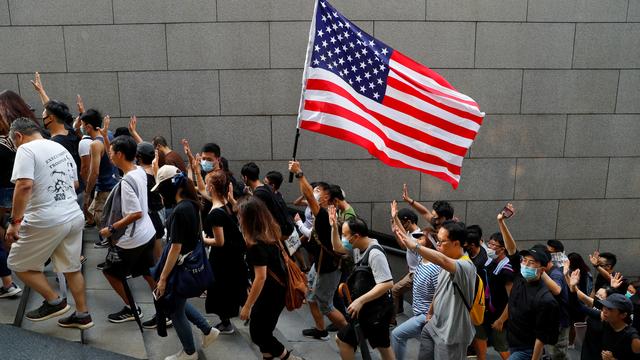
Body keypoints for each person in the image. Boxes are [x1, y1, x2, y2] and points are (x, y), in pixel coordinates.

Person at [4, 117, 92, 328]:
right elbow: (75, 182)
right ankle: (83, 315)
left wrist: (15, 221)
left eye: (14, 143)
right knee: (72, 269)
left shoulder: (26, 150)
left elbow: (24, 185)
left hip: (47, 218)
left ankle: (54, 301)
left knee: (16, 263)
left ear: (18, 136)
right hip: (73, 215)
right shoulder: (58, 147)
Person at [152, 166, 220, 360]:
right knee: (178, 302)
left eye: (161, 188)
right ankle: (207, 329)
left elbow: (175, 247)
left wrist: (163, 278)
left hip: (178, 265)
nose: (160, 194)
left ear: (171, 187)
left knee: (175, 309)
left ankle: (189, 352)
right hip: (187, 262)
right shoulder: (191, 204)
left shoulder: (180, 210)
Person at [397, 220, 477, 360]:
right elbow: (439, 289)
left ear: (456, 243)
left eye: (441, 241)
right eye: (437, 240)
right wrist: (430, 312)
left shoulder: (466, 266)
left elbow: (442, 261)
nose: (437, 245)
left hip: (451, 333)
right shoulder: (446, 261)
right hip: (433, 325)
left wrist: (415, 246)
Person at [99, 136, 157, 323]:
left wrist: (111, 228)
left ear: (120, 154)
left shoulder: (127, 181)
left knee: (110, 272)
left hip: (132, 238)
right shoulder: (139, 171)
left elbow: (136, 213)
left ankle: (132, 309)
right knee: (147, 272)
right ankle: (166, 307)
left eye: (112, 151)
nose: (109, 154)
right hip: (147, 232)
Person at [237, 196, 303, 360]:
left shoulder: (256, 245)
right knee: (264, 331)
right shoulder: (270, 234)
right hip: (277, 290)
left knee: (258, 334)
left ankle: (289, 358)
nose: (238, 218)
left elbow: (261, 278)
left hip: (269, 294)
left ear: (248, 220)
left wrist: (247, 306)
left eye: (240, 216)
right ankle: (268, 357)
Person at [289, 161, 348, 340]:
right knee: (311, 296)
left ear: (326, 199)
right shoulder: (327, 213)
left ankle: (351, 334)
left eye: (318, 191)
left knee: (325, 305)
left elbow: (307, 193)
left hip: (329, 267)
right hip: (321, 262)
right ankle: (321, 330)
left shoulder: (324, 214)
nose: (314, 192)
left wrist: (299, 173)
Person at [497, 204, 559, 360]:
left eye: (531, 263)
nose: (525, 264)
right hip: (513, 342)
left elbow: (542, 336)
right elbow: (511, 249)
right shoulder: (520, 276)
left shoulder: (545, 299)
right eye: (524, 260)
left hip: (527, 350)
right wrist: (501, 222)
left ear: (542, 269)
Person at [331, 214, 395, 360]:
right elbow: (337, 247)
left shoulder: (375, 253)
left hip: (375, 310)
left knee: (342, 340)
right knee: (383, 345)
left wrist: (360, 301)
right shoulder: (357, 247)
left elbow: (387, 283)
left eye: (345, 235)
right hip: (373, 309)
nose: (344, 239)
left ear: (356, 236)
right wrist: (334, 227)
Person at [391, 201, 441, 360]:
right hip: (420, 314)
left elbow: (439, 294)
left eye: (420, 238)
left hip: (425, 317)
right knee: (429, 346)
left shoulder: (434, 268)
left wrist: (430, 314)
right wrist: (395, 220)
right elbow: (406, 240)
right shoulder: (421, 260)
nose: (416, 239)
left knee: (397, 335)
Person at [203, 170, 249, 335]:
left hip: (223, 259)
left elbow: (219, 241)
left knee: (222, 290)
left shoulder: (216, 212)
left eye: (207, 183)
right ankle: (237, 317)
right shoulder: (226, 205)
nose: (205, 186)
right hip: (233, 257)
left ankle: (227, 323)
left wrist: (202, 239)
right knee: (234, 289)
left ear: (213, 187)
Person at [0, 90, 34, 299]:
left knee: (7, 231)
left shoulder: (5, 141)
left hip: (7, 191)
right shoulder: (27, 135)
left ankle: (8, 280)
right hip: (20, 190)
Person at [568, 270, 640, 360]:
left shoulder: (632, 337)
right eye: (604, 307)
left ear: (623, 315)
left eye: (609, 309)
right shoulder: (604, 317)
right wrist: (572, 288)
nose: (604, 311)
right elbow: (577, 306)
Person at [80, 109, 118, 247]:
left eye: (83, 125)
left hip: (104, 187)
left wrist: (87, 192)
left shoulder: (95, 144)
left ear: (88, 126)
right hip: (113, 183)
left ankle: (111, 253)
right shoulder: (108, 134)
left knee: (102, 222)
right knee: (106, 219)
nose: (82, 128)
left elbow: (94, 172)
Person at [476, 232, 514, 360]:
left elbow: (512, 299)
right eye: (489, 243)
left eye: (493, 245)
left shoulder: (507, 269)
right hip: (485, 311)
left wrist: (501, 320)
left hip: (500, 315)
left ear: (502, 249)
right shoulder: (489, 262)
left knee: (501, 346)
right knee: (480, 337)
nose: (489, 247)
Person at [241, 162, 294, 241]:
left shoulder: (259, 194)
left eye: (242, 177)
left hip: (279, 231)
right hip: (284, 227)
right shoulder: (265, 187)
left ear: (245, 178)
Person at [390, 204, 422, 324]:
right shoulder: (411, 233)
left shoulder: (419, 235)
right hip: (413, 272)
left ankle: (392, 320)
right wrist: (395, 232)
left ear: (408, 222)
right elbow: (404, 245)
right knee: (398, 290)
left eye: (402, 224)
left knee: (394, 290)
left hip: (417, 274)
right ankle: (399, 310)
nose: (401, 227)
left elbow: (407, 241)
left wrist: (395, 218)